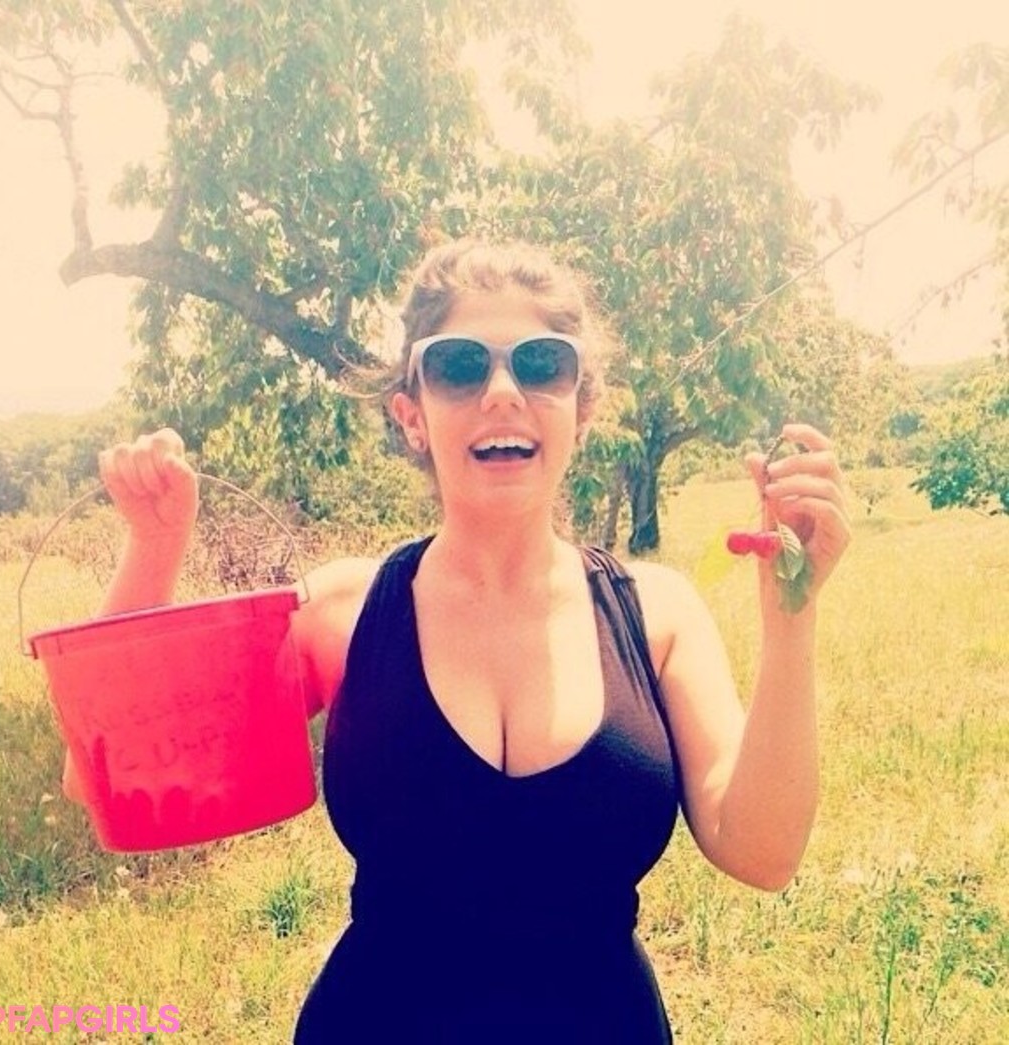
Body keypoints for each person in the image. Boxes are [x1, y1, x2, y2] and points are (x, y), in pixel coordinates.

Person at [66, 240, 851, 1042]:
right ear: (411, 415)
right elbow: (111, 777)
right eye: (459, 367)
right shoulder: (343, 613)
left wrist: (792, 613)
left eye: (542, 364)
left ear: (581, 406)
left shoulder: (657, 616)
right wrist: (153, 547)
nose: (503, 392)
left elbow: (762, 852)